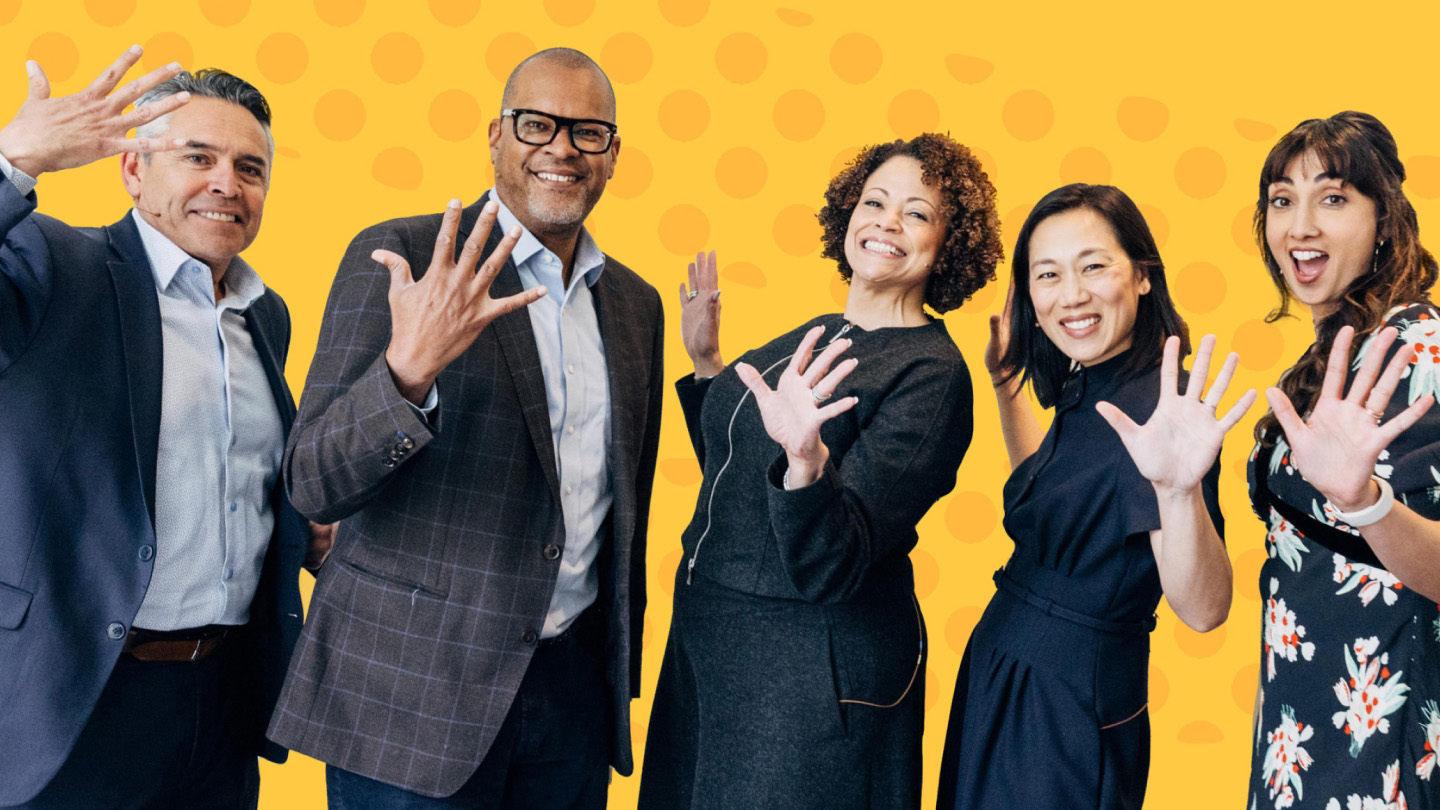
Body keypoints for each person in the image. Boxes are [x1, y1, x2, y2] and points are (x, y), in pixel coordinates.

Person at [267, 47, 663, 809]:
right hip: (412, 697)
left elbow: (619, 512)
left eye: (587, 133)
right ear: (496, 136)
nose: (560, 149)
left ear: (614, 155)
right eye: (536, 124)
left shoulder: (633, 306)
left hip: (572, 696)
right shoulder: (405, 255)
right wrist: (406, 375)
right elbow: (312, 479)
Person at [637, 133, 1001, 810]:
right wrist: (708, 364)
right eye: (875, 201)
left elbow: (836, 558)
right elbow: (744, 475)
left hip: (805, 668)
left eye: (918, 213)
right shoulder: (812, 333)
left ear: (951, 244)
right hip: (711, 641)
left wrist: (807, 459)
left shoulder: (932, 374)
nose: (888, 221)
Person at [0, 48, 321, 809]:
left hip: (222, 697)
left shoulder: (264, 316)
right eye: (197, 157)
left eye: (250, 168)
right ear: (134, 172)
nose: (226, 184)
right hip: (75, 695)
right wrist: (13, 162)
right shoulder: (52, 263)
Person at [937, 183, 1251, 809]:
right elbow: (1053, 504)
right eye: (1047, 274)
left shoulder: (1161, 408)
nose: (1071, 295)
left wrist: (1177, 488)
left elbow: (1204, 608)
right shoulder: (1094, 379)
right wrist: (1006, 388)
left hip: (1065, 704)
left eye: (1094, 266)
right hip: (1008, 671)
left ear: (1141, 275)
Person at [1244, 111, 1440, 810]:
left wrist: (1365, 503)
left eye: (1332, 198)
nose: (1300, 226)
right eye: (1281, 200)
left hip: (1378, 730)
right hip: (1303, 718)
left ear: (1384, 220)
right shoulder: (1339, 348)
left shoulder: (1414, 349)